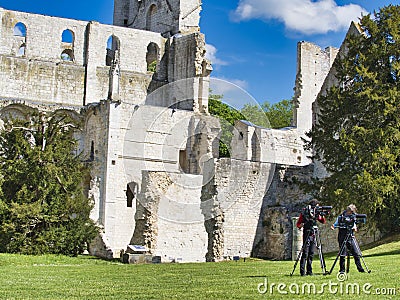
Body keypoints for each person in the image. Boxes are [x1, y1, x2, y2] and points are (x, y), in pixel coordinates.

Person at [331, 204, 365, 273]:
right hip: (342, 236)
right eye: (351, 211)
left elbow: (354, 224)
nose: (352, 213)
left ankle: (360, 269)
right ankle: (342, 270)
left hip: (350, 236)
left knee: (356, 252)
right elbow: (336, 224)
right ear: (348, 211)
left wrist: (354, 227)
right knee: (342, 253)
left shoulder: (353, 216)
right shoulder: (341, 217)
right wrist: (334, 226)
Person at [296, 199, 326, 276]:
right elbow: (298, 224)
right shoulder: (305, 212)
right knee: (305, 253)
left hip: (313, 233)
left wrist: (321, 214)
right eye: (317, 206)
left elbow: (322, 221)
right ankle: (302, 271)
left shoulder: (316, 213)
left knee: (311, 253)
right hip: (307, 232)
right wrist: (302, 224)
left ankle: (309, 271)